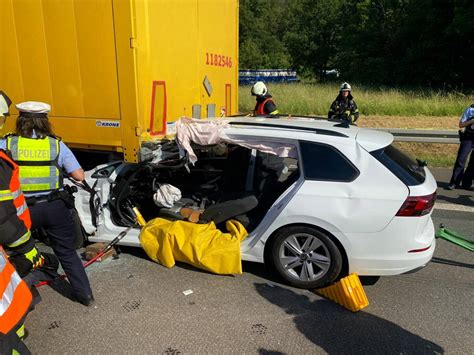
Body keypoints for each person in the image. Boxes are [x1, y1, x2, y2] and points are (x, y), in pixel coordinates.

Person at [0, 100, 95, 306]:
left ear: (20, 121)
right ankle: (85, 296)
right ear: (45, 122)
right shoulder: (56, 145)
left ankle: (21, 299)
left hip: (21, 210)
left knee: (17, 252)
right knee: (67, 252)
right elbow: (79, 175)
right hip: (54, 207)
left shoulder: (6, 144)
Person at [0, 91, 41, 354]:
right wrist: (26, 246)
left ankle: (18, 329)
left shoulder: (10, 146)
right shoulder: (56, 146)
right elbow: (2, 214)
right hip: (15, 237)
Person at [446, 104, 474, 190]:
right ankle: (454, 182)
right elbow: (461, 125)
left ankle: (467, 183)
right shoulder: (470, 109)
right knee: (461, 159)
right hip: (469, 137)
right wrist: (472, 120)